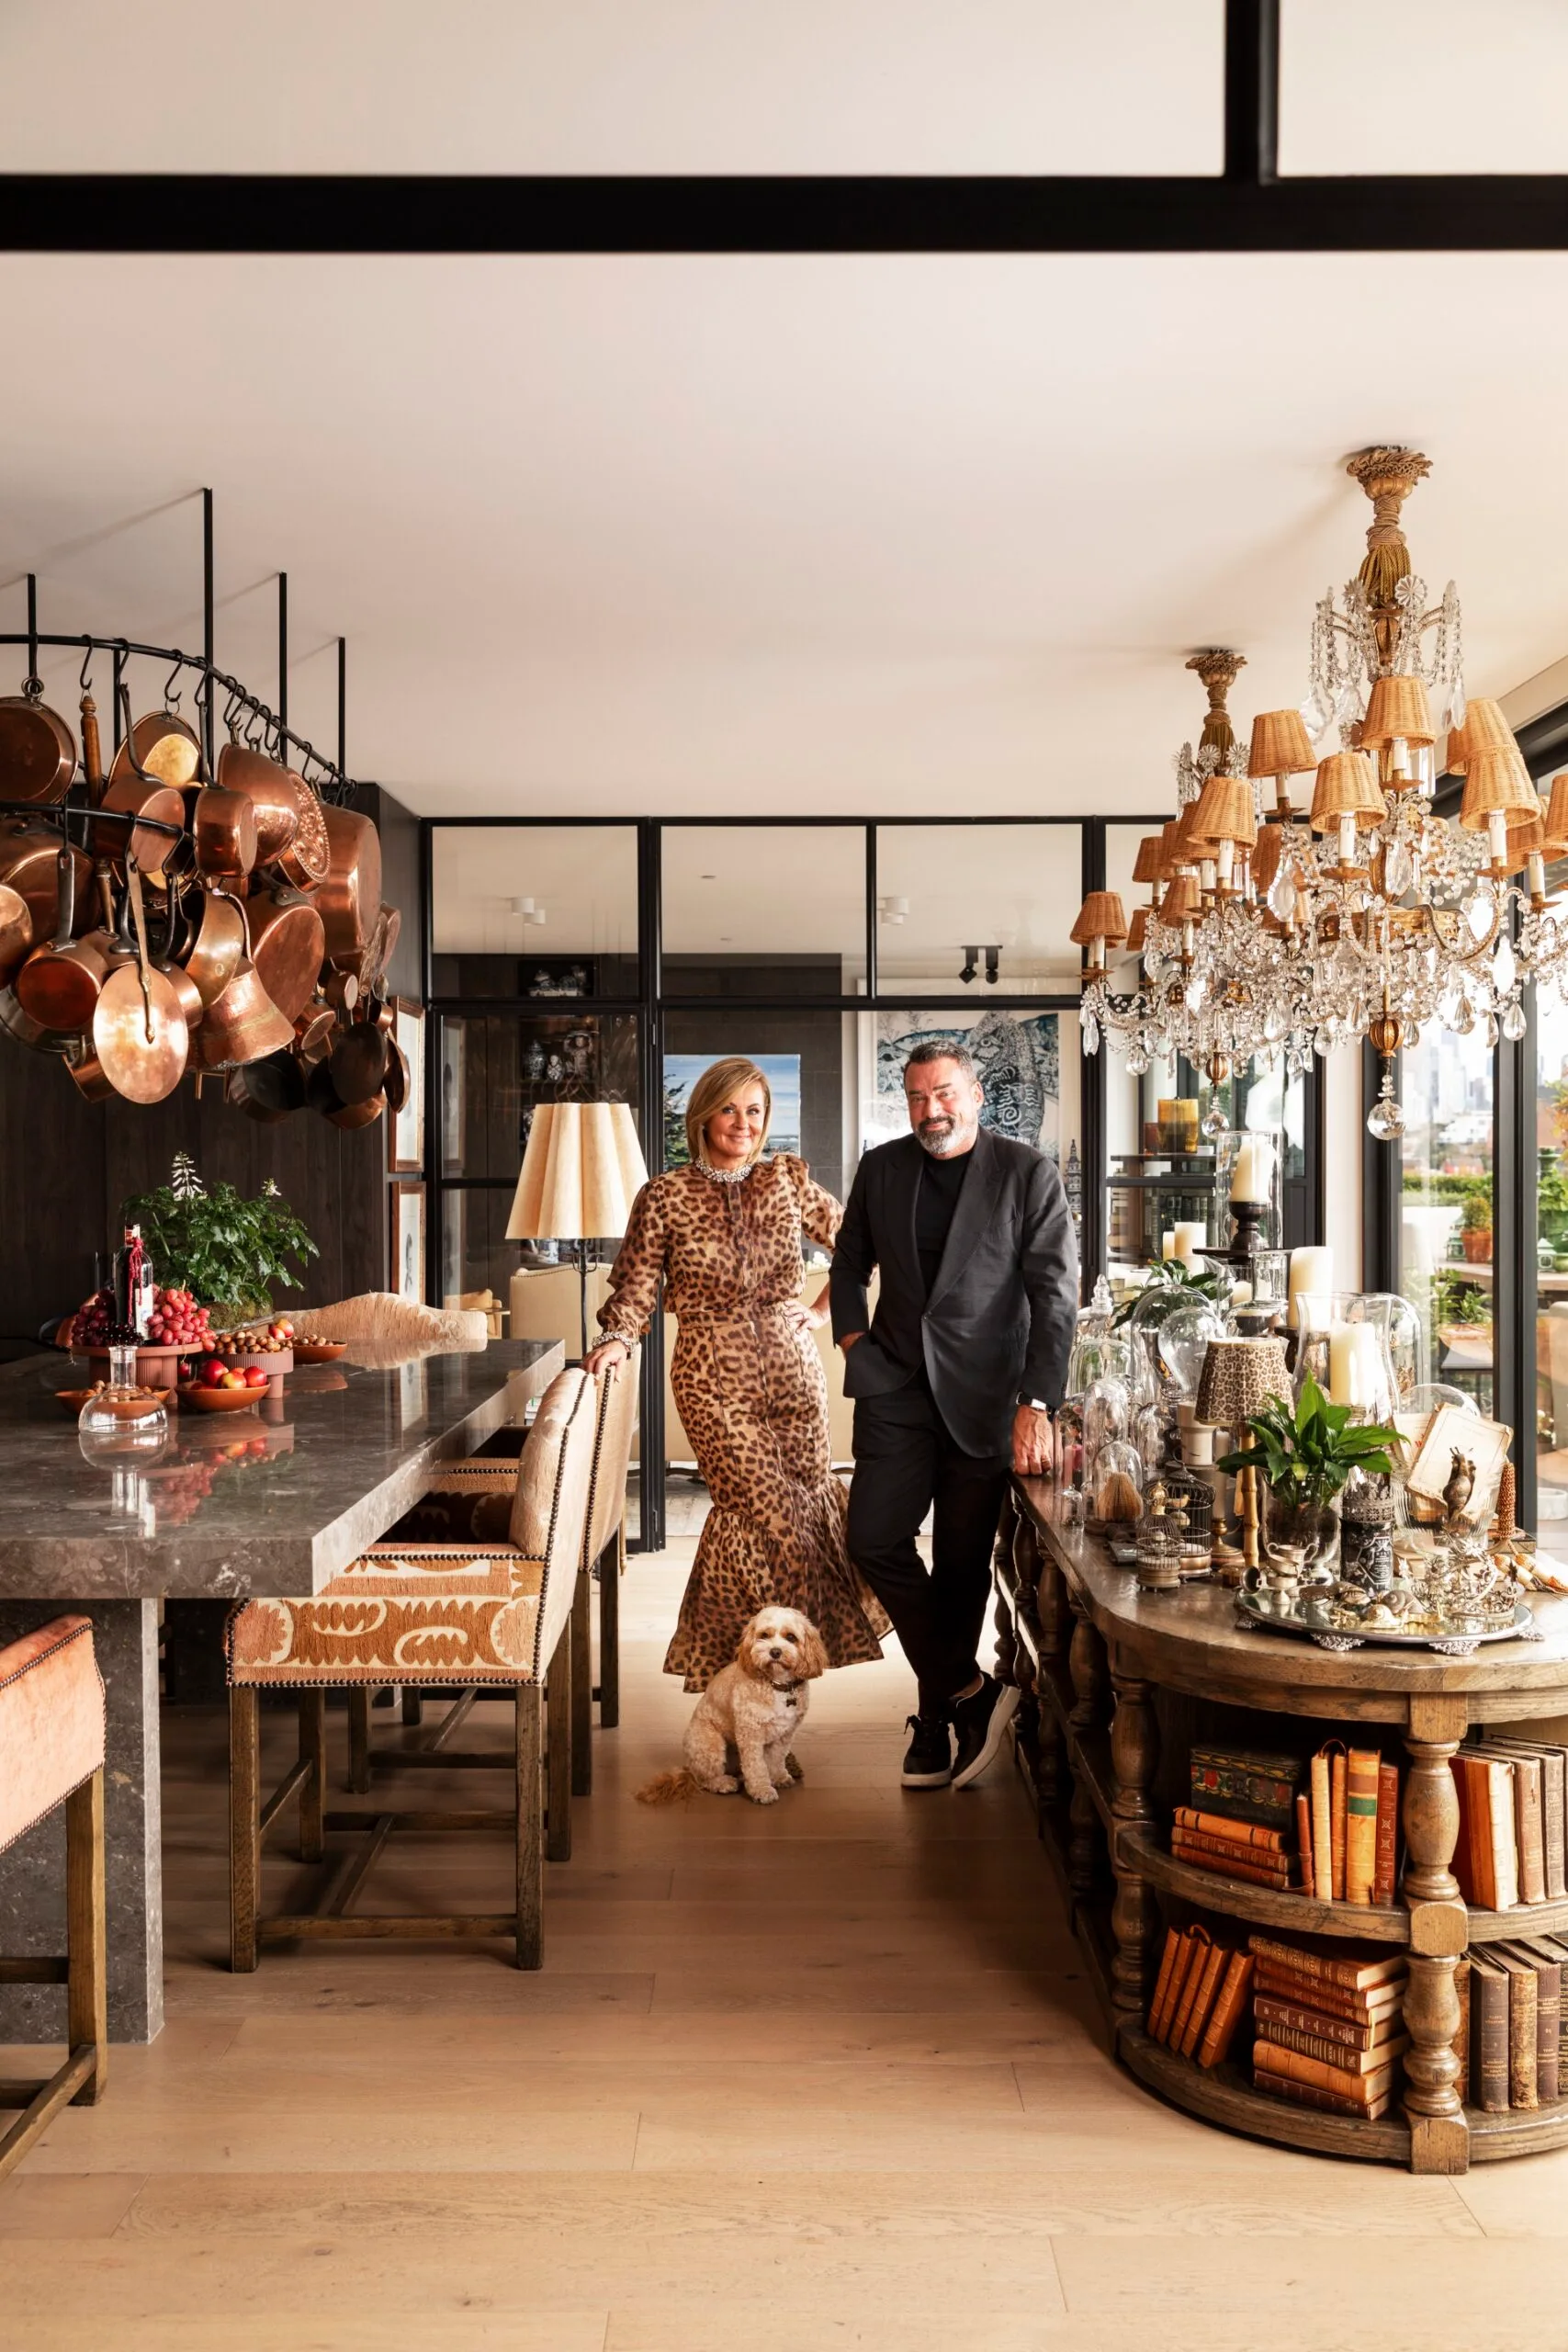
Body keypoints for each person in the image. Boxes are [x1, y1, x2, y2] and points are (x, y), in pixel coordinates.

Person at [583, 1056, 888, 1691]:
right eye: (729, 1109)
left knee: (806, 1503)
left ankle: (774, 1678)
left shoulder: (786, 1180)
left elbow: (856, 1246)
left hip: (793, 1369)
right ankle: (731, 1663)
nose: (742, 1123)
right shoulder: (664, 1195)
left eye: (754, 1111)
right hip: (709, 1375)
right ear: (703, 1115)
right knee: (758, 1511)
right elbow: (638, 1285)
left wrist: (819, 1311)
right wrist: (615, 1338)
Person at [830, 1042, 1078, 1791]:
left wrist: (1036, 1403)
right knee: (872, 1538)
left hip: (986, 1398)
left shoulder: (1025, 1173)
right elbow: (848, 1264)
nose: (929, 1110)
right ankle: (972, 1691)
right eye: (914, 1098)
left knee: (963, 1567)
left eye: (941, 1094)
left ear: (974, 1095)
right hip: (894, 1388)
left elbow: (1055, 1297)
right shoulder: (882, 1168)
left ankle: (936, 1720)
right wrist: (852, 1340)